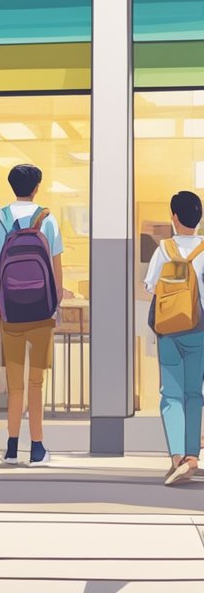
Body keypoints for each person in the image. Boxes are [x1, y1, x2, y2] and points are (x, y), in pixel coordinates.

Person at [0, 164, 63, 467]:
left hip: (10, 313)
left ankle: (12, 448)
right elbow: (56, 266)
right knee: (36, 382)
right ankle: (37, 447)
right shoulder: (47, 219)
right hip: (41, 313)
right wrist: (57, 302)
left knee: (15, 384)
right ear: (36, 187)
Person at [143, 191, 204, 486]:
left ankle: (177, 458)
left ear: (174, 217)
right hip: (200, 331)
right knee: (195, 394)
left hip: (169, 331)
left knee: (171, 394)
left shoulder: (164, 249)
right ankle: (192, 456)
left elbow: (150, 286)